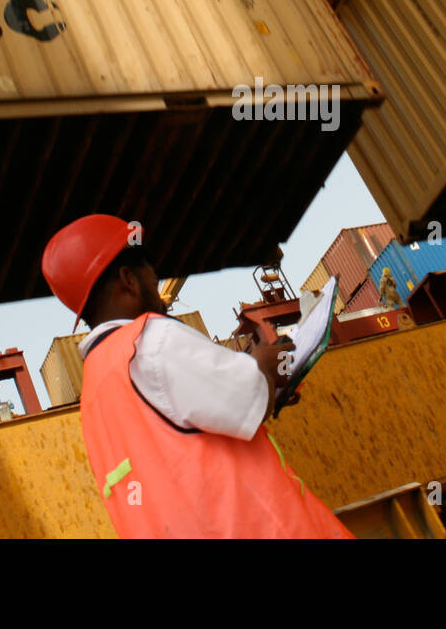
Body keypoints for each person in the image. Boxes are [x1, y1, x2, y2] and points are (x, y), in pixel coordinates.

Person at [41, 214, 354, 539]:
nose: (155, 278)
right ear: (128, 280)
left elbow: (177, 447)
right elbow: (247, 394)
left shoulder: (96, 391)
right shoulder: (151, 340)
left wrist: (268, 389)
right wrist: (265, 365)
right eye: (148, 268)